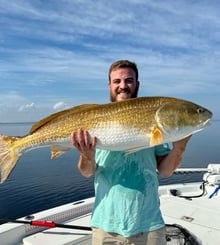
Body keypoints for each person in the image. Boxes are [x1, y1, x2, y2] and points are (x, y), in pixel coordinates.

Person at [70, 60, 191, 245]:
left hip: (149, 225)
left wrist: (179, 148)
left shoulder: (153, 121)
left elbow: (165, 171)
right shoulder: (93, 120)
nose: (123, 86)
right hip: (106, 226)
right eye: (117, 81)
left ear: (137, 84)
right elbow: (86, 172)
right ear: (109, 85)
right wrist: (87, 155)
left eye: (129, 80)